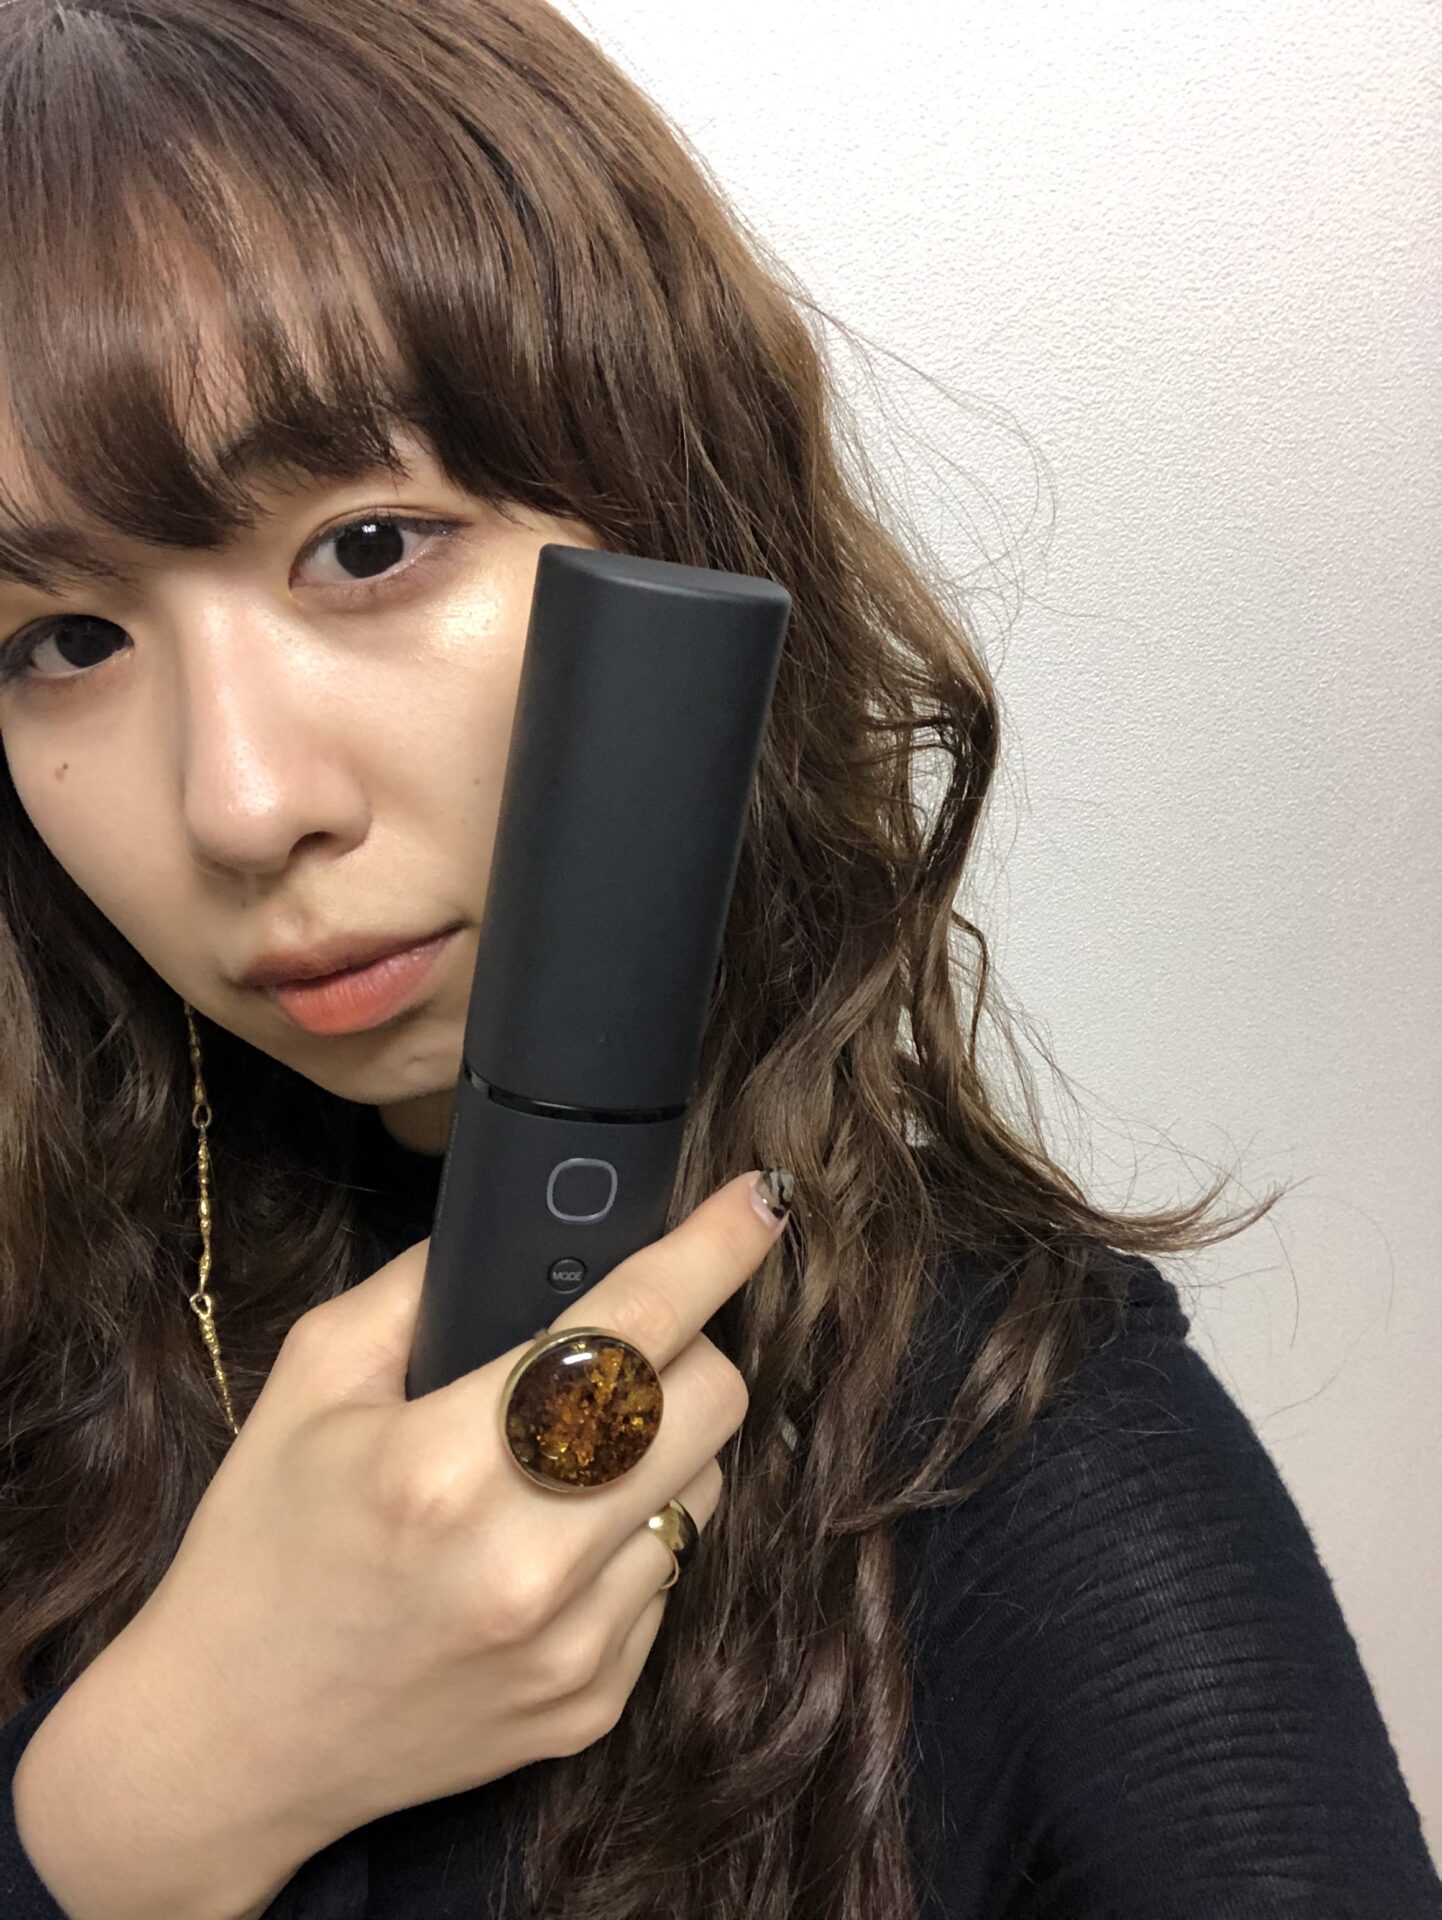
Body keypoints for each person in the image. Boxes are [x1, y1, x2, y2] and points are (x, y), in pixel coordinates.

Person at [0, 2, 1436, 1917]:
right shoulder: (42, 1324)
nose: (243, 804)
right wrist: (161, 1793)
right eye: (64, 640)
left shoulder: (1020, 1450)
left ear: (677, 530)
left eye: (367, 546)